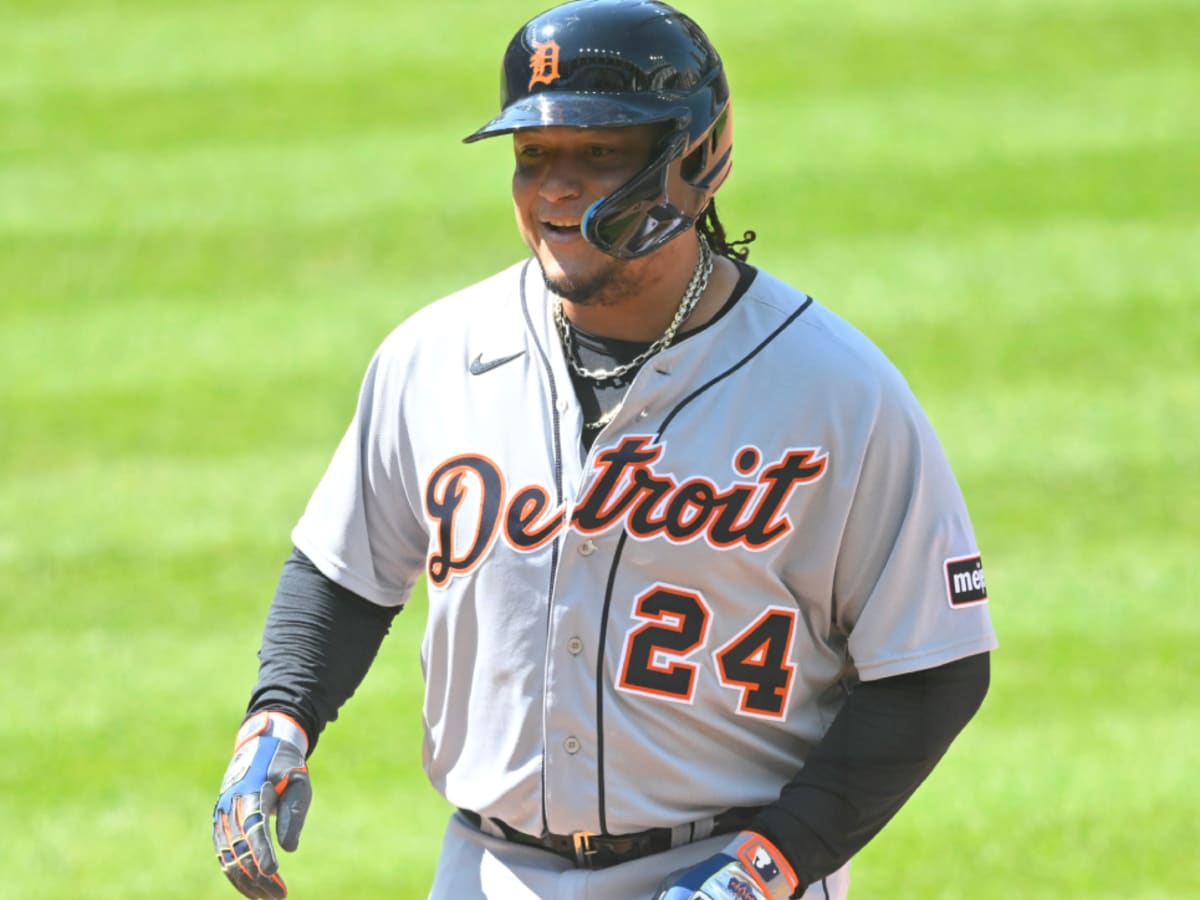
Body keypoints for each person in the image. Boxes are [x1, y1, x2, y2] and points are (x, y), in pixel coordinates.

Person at [210, 1, 997, 898]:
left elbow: (933, 664)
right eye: (533, 156)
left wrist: (777, 860)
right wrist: (278, 717)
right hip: (489, 871)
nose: (553, 189)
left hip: (731, 870)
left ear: (693, 158)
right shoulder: (434, 357)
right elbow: (342, 573)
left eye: (599, 154)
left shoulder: (835, 394)